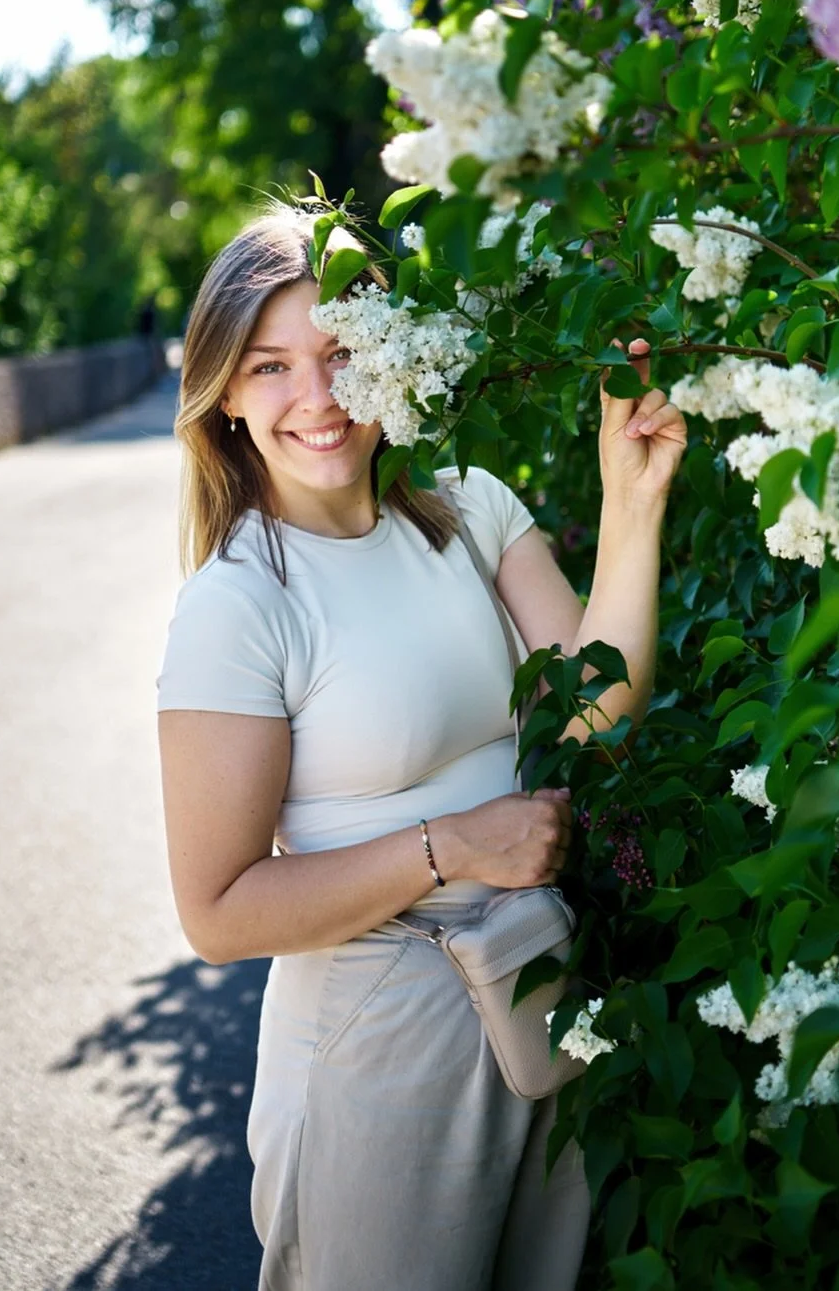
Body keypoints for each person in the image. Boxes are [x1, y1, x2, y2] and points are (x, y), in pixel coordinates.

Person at [155, 201, 686, 1291]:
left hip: (533, 975)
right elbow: (218, 909)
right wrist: (448, 845)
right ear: (224, 400)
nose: (317, 396)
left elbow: (597, 710)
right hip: (375, 1028)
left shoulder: (470, 508)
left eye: (344, 349)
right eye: (269, 366)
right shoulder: (241, 603)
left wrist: (630, 507)